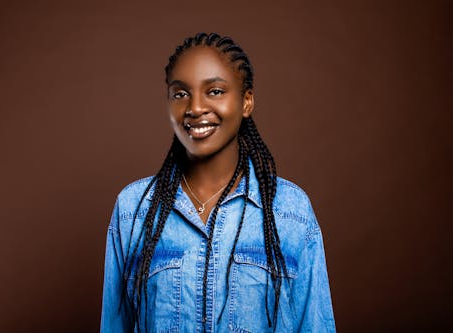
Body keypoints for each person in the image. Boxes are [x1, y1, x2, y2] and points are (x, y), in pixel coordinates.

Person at [100, 32, 336, 333]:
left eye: (214, 91)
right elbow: (114, 325)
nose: (195, 107)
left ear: (246, 102)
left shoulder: (291, 211)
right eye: (180, 93)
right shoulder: (133, 210)